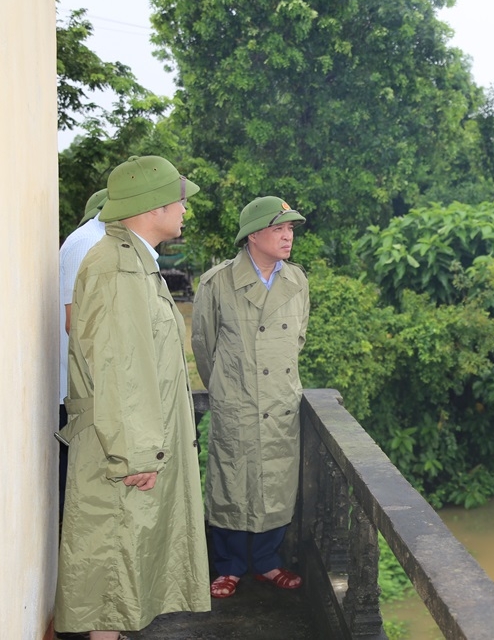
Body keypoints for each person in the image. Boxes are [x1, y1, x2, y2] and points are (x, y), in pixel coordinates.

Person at [55, 156, 211, 639]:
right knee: (115, 548)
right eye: (179, 200)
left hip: (133, 441)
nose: (185, 208)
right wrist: (135, 454)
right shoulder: (118, 268)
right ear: (153, 206)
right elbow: (120, 370)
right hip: (125, 448)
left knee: (124, 552)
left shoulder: (135, 261)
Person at [191, 196, 309, 599]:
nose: (288, 236)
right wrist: (229, 387)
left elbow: (299, 338)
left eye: (290, 229)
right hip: (237, 402)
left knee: (275, 482)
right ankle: (228, 566)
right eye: (279, 228)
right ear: (254, 235)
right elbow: (204, 346)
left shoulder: (297, 280)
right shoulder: (217, 282)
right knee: (230, 482)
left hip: (280, 403)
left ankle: (268, 561)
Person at [57, 188, 108, 522]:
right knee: (82, 500)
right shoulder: (86, 244)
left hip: (94, 392)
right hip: (82, 394)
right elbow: (79, 327)